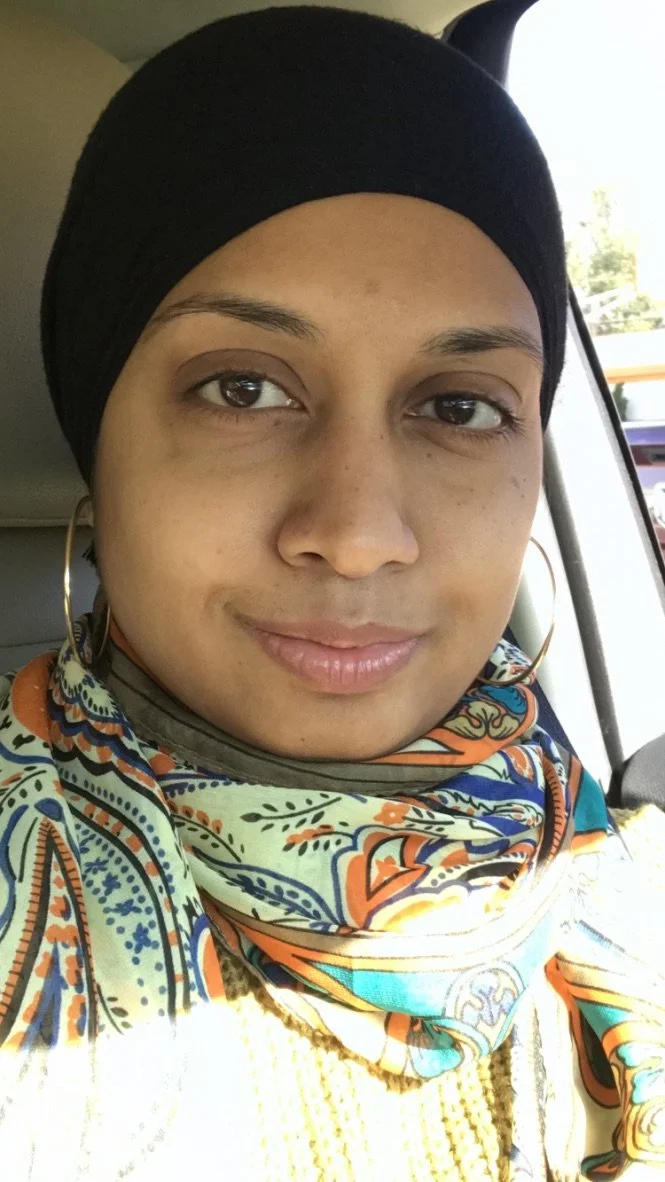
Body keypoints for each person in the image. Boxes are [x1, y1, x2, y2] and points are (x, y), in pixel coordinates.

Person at [1, 7, 664, 1180]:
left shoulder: (610, 868)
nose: (356, 537)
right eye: (243, 388)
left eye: (458, 406)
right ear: (97, 442)